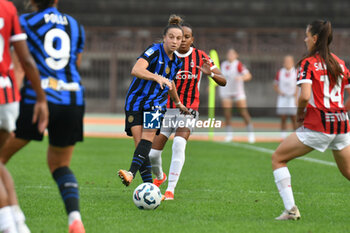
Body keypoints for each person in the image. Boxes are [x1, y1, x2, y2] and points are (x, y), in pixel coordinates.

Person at [0, 0, 86, 232]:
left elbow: (20, 67)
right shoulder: (76, 25)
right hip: (72, 99)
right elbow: (74, 67)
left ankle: (12, 219)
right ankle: (75, 218)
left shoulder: (25, 22)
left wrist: (11, 103)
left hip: (36, 100)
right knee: (60, 164)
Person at [271, 20, 350, 220]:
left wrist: (299, 114)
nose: (305, 39)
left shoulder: (308, 63)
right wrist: (341, 110)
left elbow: (305, 96)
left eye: (307, 35)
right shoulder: (339, 63)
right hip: (341, 125)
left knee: (278, 159)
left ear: (315, 38)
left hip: (318, 126)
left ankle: (291, 211)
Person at [149, 23, 226, 200]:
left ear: (192, 39)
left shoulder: (201, 57)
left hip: (189, 110)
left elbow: (223, 80)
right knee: (153, 154)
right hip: (167, 110)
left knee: (178, 144)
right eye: (180, 36)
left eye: (187, 37)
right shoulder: (167, 56)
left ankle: (170, 190)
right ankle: (160, 177)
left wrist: (211, 74)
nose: (182, 40)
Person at [118, 15, 188, 187]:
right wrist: (156, 77)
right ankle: (150, 186)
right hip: (136, 101)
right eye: (171, 37)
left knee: (146, 141)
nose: (174, 41)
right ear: (164, 37)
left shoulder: (177, 62)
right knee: (139, 145)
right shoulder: (154, 51)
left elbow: (170, 83)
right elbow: (136, 69)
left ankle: (132, 175)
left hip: (157, 104)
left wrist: (178, 103)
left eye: (178, 38)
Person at [0, 0, 49, 232]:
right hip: (8, 98)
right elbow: (26, 60)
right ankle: (18, 222)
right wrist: (41, 98)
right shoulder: (8, 8)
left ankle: (9, 227)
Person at [218, 49, 255, 143]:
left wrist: (241, 77)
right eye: (229, 53)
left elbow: (248, 75)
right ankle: (229, 134)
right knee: (227, 114)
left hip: (238, 92)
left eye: (232, 54)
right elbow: (219, 76)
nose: (230, 55)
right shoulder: (223, 64)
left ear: (236, 55)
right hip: (226, 92)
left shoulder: (238, 65)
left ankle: (251, 133)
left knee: (243, 112)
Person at [274, 55, 298, 139]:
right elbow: (275, 85)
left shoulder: (296, 72)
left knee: (293, 117)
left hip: (292, 98)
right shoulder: (280, 72)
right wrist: (280, 92)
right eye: (286, 61)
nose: (288, 63)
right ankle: (283, 136)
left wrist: (296, 97)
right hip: (283, 98)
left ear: (293, 62)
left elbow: (298, 86)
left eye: (289, 61)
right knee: (283, 117)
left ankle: (295, 136)